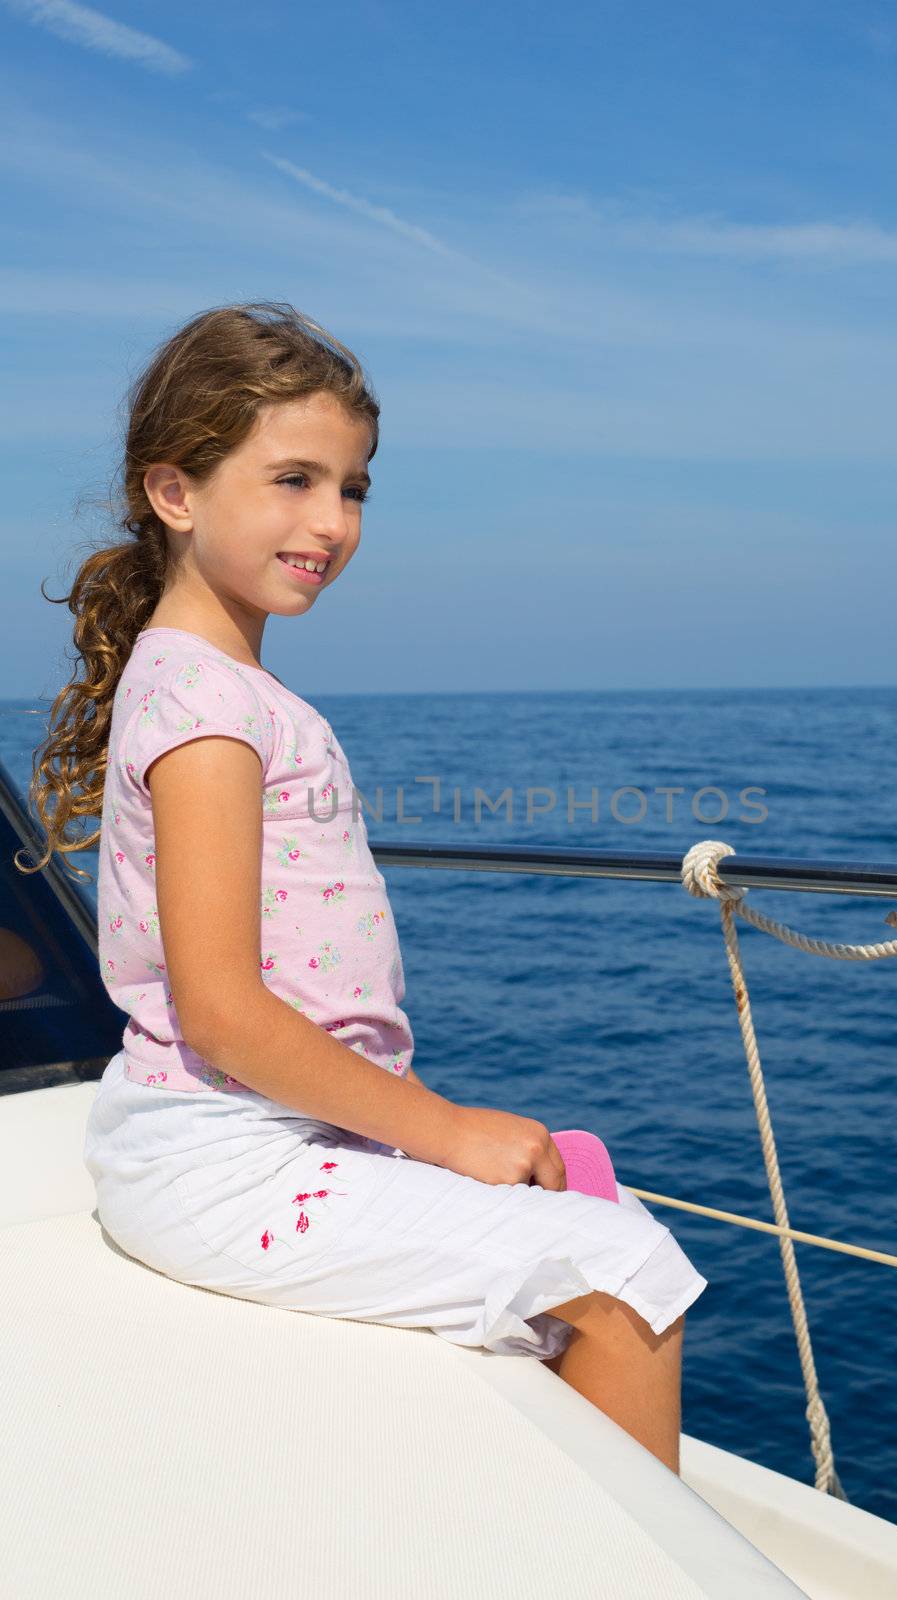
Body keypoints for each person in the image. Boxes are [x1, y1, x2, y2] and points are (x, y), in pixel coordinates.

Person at [18, 300, 708, 1475]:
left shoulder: (216, 688)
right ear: (174, 493)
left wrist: (434, 1126)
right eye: (292, 479)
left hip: (260, 1134)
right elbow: (226, 1010)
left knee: (569, 1219)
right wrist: (441, 1130)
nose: (329, 522)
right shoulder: (205, 713)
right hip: (223, 1157)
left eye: (353, 489)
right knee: (622, 1271)